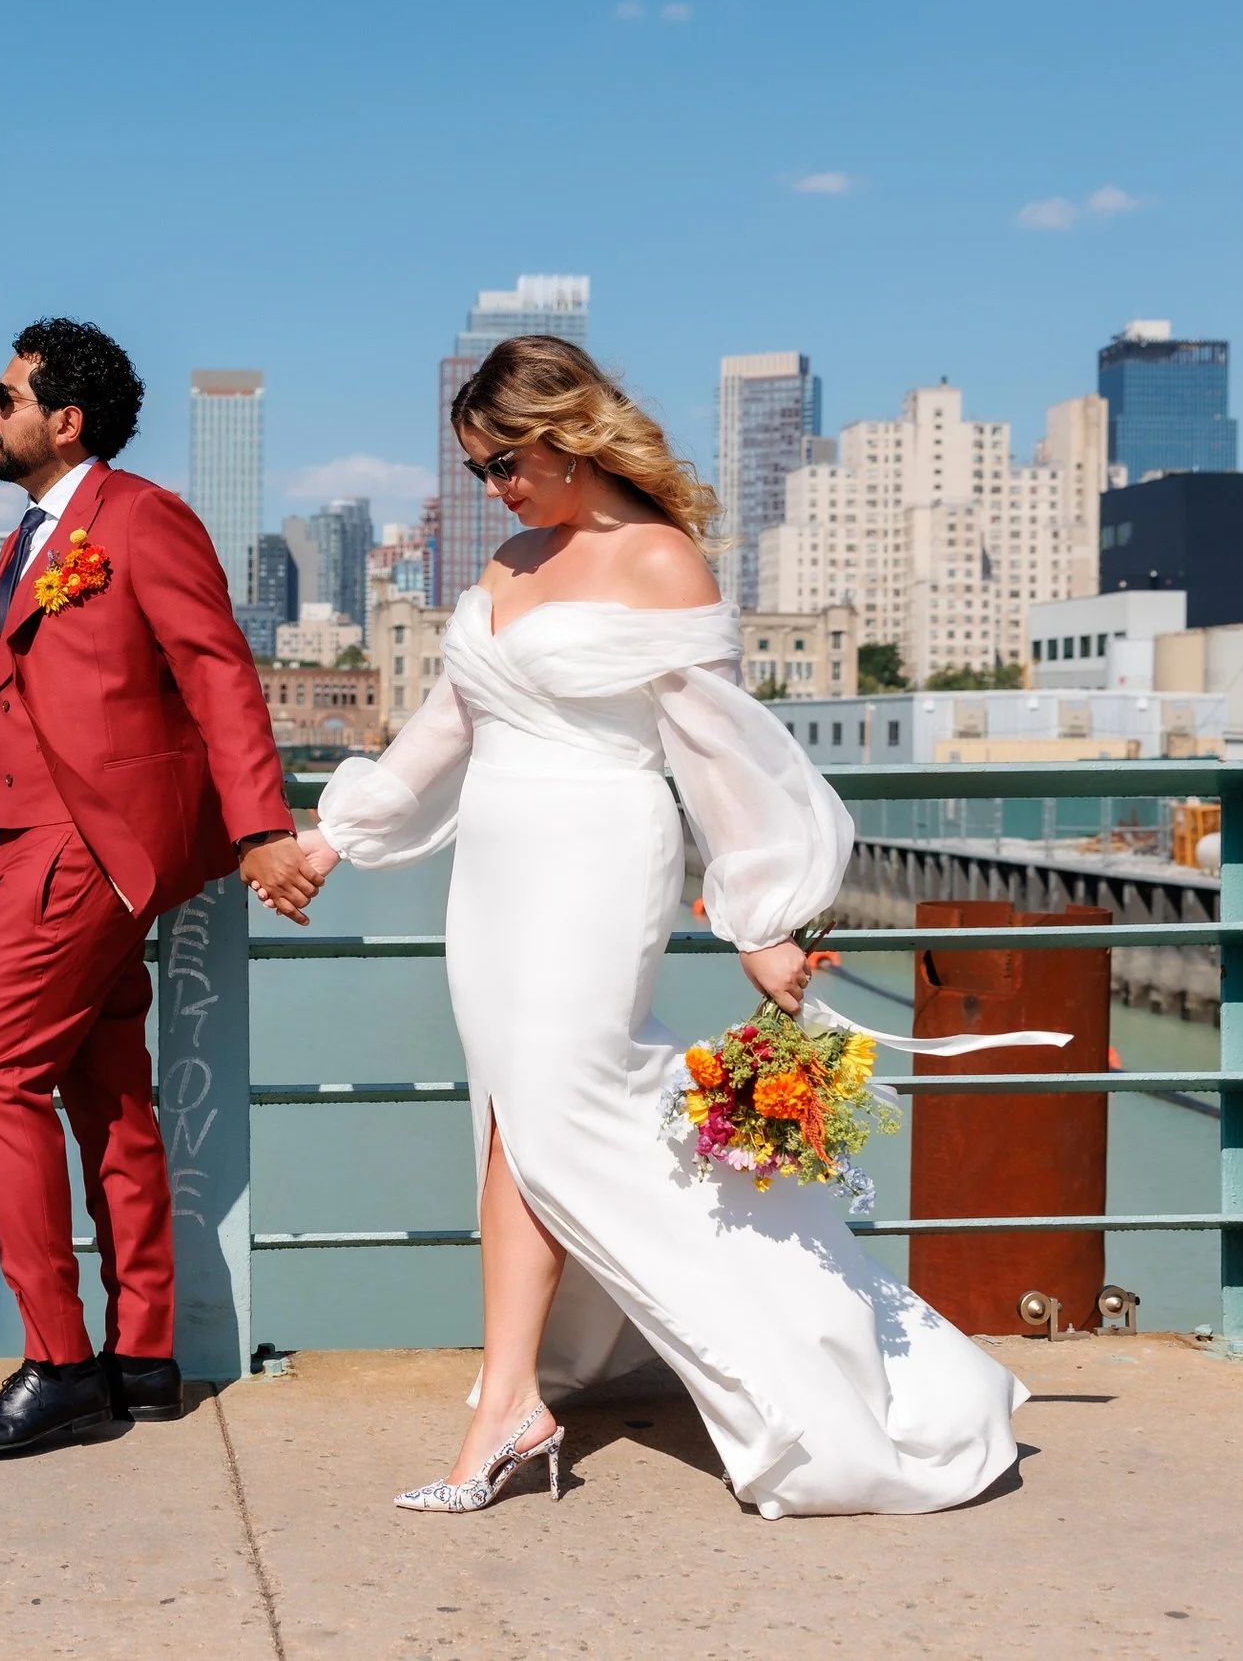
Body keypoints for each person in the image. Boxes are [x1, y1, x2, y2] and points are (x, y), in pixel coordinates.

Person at [296, 336, 1027, 1517]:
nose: (495, 490)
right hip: (490, 867)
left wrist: (760, 914)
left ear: (568, 434)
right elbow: (445, 725)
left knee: (557, 1100)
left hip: (598, 852)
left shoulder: (661, 560)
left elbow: (716, 751)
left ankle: (555, 1390)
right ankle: (511, 1392)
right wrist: (332, 838)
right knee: (510, 1120)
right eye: (479, 470)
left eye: (505, 462)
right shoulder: (510, 564)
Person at [0, 318, 323, 1456]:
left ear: (66, 419)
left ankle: (57, 1362)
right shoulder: (27, 540)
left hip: (92, 854)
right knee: (108, 1091)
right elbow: (3, 714)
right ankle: (142, 1356)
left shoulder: (140, 519)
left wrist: (258, 829)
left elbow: (217, 673)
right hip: (27, 842)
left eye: (3, 398)